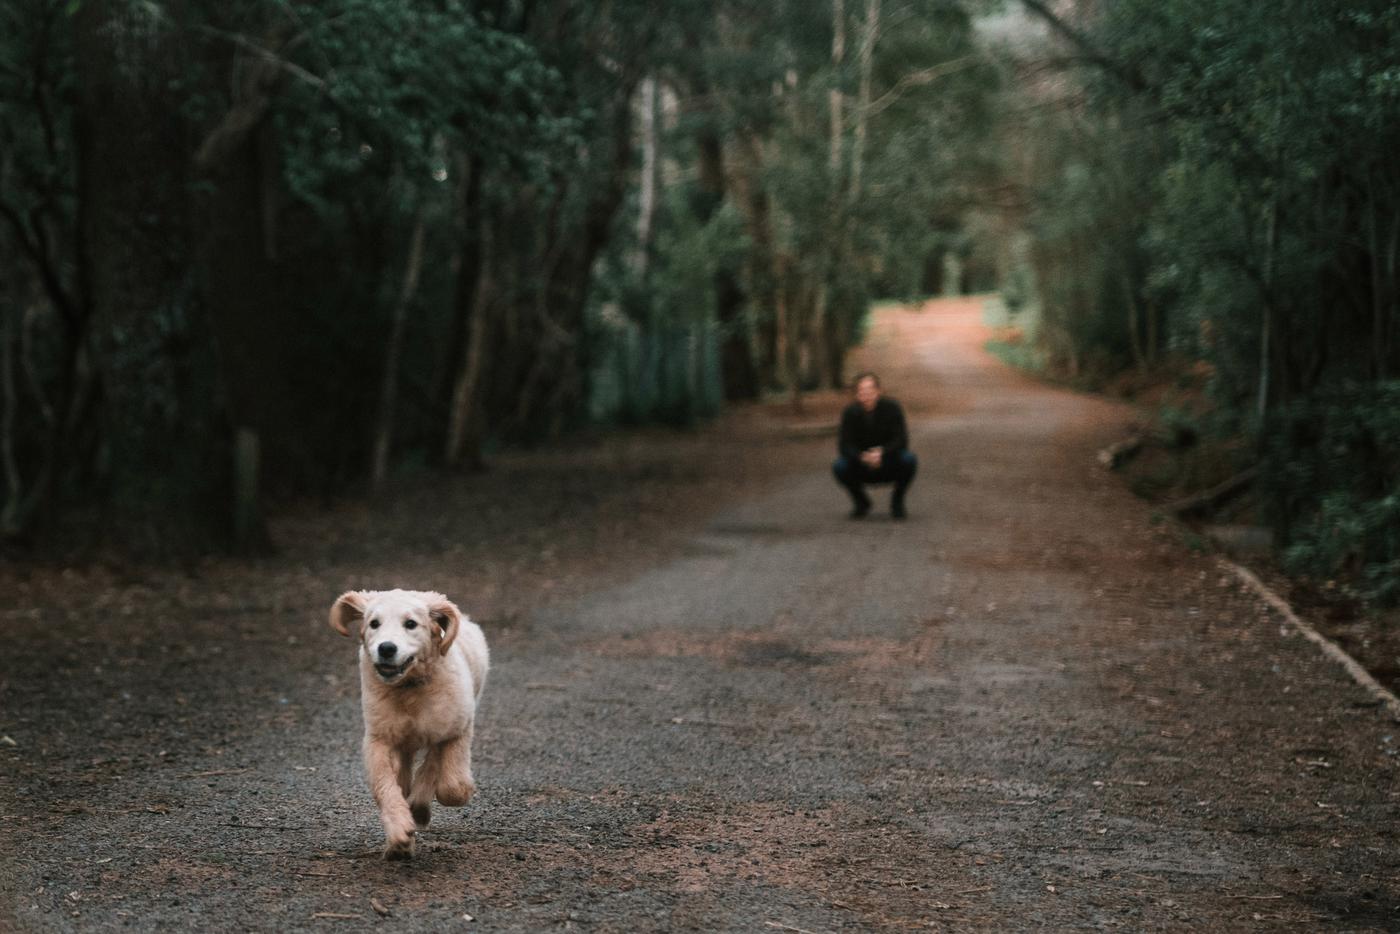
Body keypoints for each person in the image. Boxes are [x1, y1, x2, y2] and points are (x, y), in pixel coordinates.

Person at [833, 372, 917, 519]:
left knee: (909, 459)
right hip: (861, 464)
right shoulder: (850, 413)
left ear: (878, 391)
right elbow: (844, 445)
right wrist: (862, 456)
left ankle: (897, 501)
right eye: (861, 391)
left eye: (870, 391)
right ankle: (861, 502)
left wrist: (882, 453)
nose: (866, 395)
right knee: (839, 466)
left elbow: (901, 440)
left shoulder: (892, 408)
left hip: (888, 461)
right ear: (857, 394)